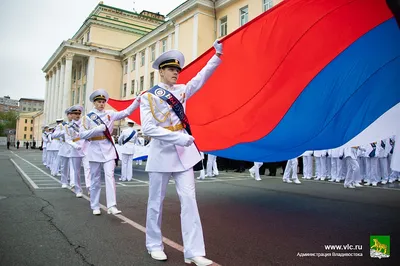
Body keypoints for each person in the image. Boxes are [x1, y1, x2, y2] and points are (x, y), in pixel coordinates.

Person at [139, 40, 222, 265]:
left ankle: (194, 252)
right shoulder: (148, 96)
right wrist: (179, 137)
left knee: (189, 200)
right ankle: (154, 245)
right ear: (161, 72)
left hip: (183, 155)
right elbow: (147, 128)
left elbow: (200, 79)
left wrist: (216, 57)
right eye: (171, 69)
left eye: (177, 69)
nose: (176, 73)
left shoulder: (182, 90)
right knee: (156, 202)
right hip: (162, 153)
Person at [79, 89, 139, 215]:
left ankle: (112, 205)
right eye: (99, 102)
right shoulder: (87, 118)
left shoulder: (110, 114)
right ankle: (95, 205)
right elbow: (82, 135)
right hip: (94, 149)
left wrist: (136, 101)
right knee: (95, 179)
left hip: (108, 149)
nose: (101, 104)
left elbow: (126, 112)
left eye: (103, 102)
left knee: (110, 176)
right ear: (94, 103)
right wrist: (96, 130)